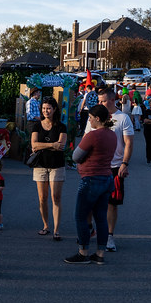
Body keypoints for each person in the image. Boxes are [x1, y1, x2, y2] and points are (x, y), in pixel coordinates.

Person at [82, 87, 133, 252]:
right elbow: (85, 140)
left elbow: (128, 143)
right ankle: (89, 229)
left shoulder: (123, 118)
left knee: (112, 204)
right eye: (98, 101)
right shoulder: (94, 118)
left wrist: (124, 163)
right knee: (89, 202)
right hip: (94, 166)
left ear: (112, 100)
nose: (100, 104)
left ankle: (109, 236)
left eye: (103, 101)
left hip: (114, 167)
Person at [65, 104, 117, 265]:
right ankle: (100, 253)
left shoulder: (93, 136)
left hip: (91, 178)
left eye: (90, 118)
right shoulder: (112, 135)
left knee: (81, 216)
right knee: (100, 217)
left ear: (97, 118)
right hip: (106, 177)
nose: (89, 120)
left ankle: (83, 252)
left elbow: (75, 156)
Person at [31, 96, 67, 240]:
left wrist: (43, 145)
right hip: (40, 165)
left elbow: (62, 146)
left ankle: (56, 230)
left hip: (56, 165)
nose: (46, 111)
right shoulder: (37, 125)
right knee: (42, 198)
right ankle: (46, 225)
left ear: (54, 109)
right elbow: (33, 145)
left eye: (49, 108)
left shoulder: (61, 126)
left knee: (55, 197)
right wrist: (52, 145)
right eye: (44, 108)